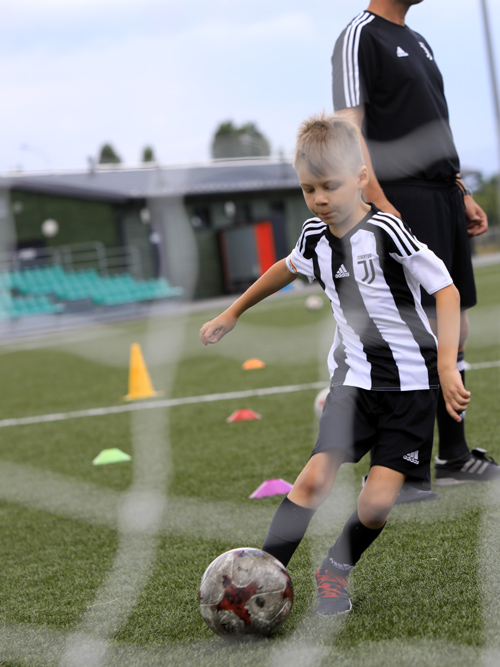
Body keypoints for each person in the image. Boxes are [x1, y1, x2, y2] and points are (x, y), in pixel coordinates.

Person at [200, 114, 469, 615]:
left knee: (376, 504)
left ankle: (334, 571)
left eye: (330, 186)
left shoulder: (387, 230)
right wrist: (233, 311)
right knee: (312, 480)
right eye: (309, 189)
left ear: (361, 177)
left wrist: (448, 367)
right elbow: (286, 268)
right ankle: (259, 582)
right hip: (353, 382)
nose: (320, 199)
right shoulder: (313, 237)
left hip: (411, 387)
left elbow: (446, 289)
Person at [332, 0, 500, 497]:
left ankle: (453, 455)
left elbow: (433, 126)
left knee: (454, 326)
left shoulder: (417, 40)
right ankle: (399, 471)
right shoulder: (360, 36)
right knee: (411, 332)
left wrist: (460, 189)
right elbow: (347, 127)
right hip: (399, 196)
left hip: (442, 197)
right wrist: (377, 201)